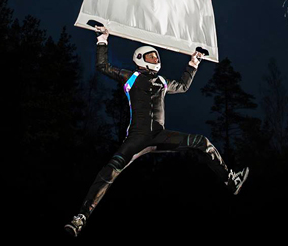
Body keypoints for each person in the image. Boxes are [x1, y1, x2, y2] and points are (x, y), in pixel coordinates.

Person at [64, 26, 249, 237]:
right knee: (108, 173)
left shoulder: (162, 81)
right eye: (151, 56)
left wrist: (194, 62)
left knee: (201, 142)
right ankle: (81, 218)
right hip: (136, 138)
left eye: (156, 56)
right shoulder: (130, 77)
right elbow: (103, 66)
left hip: (159, 136)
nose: (155, 59)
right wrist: (103, 39)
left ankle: (230, 179)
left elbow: (183, 86)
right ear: (140, 58)